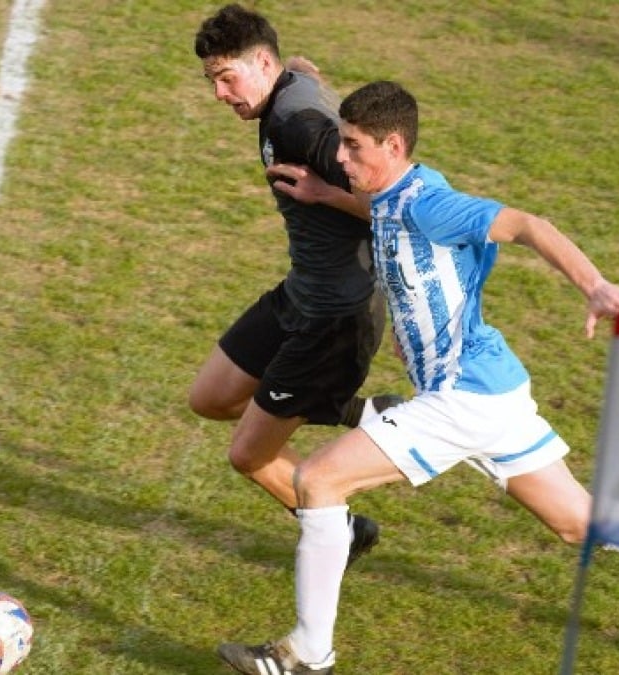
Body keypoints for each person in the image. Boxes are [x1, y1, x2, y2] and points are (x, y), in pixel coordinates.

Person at [217, 80, 619, 674]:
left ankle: (308, 653)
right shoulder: (394, 194)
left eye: (353, 146)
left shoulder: (431, 204)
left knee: (317, 480)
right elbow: (379, 214)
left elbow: (525, 224)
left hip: (463, 397)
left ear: (392, 145)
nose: (339, 157)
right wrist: (325, 195)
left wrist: (595, 286)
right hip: (493, 393)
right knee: (578, 523)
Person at [189, 4, 402, 566]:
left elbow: (393, 205)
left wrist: (325, 194)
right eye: (212, 81)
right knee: (210, 398)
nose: (220, 94)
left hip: (336, 317)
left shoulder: (300, 125)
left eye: (227, 77)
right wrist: (307, 74)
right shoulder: (289, 87)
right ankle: (357, 413)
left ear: (262, 63)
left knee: (249, 455)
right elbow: (303, 69)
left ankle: (343, 532)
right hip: (300, 294)